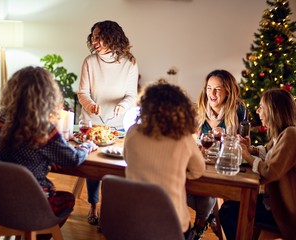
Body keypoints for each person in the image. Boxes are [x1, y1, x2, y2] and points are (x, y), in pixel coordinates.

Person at [0, 66, 98, 229]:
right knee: (67, 199)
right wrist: (87, 145)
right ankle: (39, 235)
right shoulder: (43, 128)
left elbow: (20, 151)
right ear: (47, 95)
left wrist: (45, 158)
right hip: (31, 204)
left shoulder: (3, 119)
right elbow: (73, 159)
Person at [124, 80, 205, 239]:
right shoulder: (183, 138)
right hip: (172, 224)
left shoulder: (132, 132)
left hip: (134, 222)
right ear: (181, 109)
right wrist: (176, 174)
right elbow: (198, 170)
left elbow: (127, 159)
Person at [77, 20, 139, 226]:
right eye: (93, 36)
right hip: (93, 124)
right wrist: (91, 104)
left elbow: (131, 94)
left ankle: (108, 209)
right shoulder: (90, 62)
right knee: (94, 169)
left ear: (112, 37)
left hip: (119, 124)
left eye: (99, 36)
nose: (95, 41)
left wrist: (122, 106)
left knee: (114, 172)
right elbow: (83, 93)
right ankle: (93, 206)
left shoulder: (129, 62)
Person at [219, 88, 296, 240]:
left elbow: (270, 171)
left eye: (261, 107)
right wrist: (250, 148)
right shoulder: (281, 134)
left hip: (284, 210)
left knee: (229, 212)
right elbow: (267, 152)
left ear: (273, 111)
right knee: (230, 207)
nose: (258, 111)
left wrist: (247, 155)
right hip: (272, 202)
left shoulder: (291, 134)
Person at [187, 69, 246, 239]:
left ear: (228, 91)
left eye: (218, 89)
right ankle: (205, 219)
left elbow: (243, 141)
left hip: (224, 166)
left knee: (207, 192)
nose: (212, 93)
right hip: (200, 163)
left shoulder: (238, 109)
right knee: (185, 188)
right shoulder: (198, 108)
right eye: (209, 88)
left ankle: (200, 223)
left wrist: (227, 137)